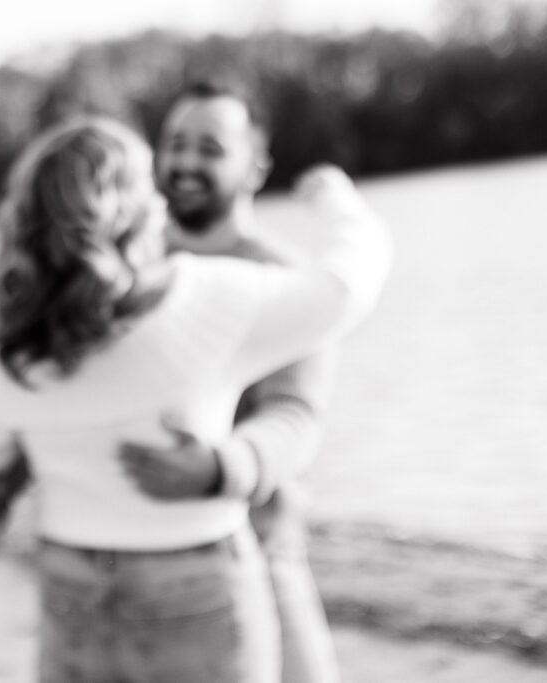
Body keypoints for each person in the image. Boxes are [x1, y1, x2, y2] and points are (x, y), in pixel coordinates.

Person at [0, 116, 390, 682]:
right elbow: (347, 288)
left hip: (70, 580)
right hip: (194, 580)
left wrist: (27, 466)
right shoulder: (206, 298)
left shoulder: (2, 342)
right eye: (150, 185)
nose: (163, 198)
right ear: (134, 209)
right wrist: (339, 203)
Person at [117, 79, 345, 683]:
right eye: (175, 144)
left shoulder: (287, 278)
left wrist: (223, 467)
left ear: (256, 167)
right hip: (129, 559)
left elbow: (295, 415)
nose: (185, 162)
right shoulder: (123, 272)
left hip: (257, 549)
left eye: (210, 148)